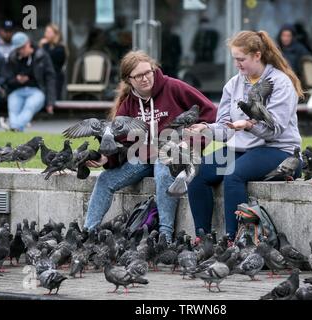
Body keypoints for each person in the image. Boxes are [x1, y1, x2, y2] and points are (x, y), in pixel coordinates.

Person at [83, 50, 217, 242]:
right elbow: (120, 141)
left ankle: (165, 236)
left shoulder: (174, 87)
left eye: (148, 72)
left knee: (163, 170)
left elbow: (211, 114)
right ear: (129, 80)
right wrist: (107, 157)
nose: (145, 78)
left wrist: (190, 141)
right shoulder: (129, 104)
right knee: (105, 179)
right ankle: (88, 233)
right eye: (139, 76)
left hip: (175, 155)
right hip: (145, 157)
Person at [187, 30, 303, 240]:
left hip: (278, 150)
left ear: (257, 55)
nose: (237, 65)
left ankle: (235, 239)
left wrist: (248, 125)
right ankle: (202, 239)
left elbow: (274, 130)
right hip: (241, 149)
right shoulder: (233, 84)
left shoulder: (281, 82)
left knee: (234, 175)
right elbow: (225, 128)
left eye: (241, 59)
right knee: (197, 173)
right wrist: (205, 128)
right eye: (234, 60)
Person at [2, 32, 56, 131]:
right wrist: (17, 80)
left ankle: (13, 127)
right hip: (17, 90)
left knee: (29, 106)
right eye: (18, 49)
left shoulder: (42, 55)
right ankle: (16, 132)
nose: (20, 51)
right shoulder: (13, 57)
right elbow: (6, 78)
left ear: (28, 43)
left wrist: (50, 101)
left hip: (37, 91)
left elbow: (50, 78)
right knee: (13, 108)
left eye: (22, 48)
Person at [39, 23, 68, 100]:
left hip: (56, 76)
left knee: (55, 97)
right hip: (45, 77)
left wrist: (42, 46)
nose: (45, 34)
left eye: (48, 32)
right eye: (46, 32)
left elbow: (48, 58)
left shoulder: (60, 48)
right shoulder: (47, 46)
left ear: (56, 34)